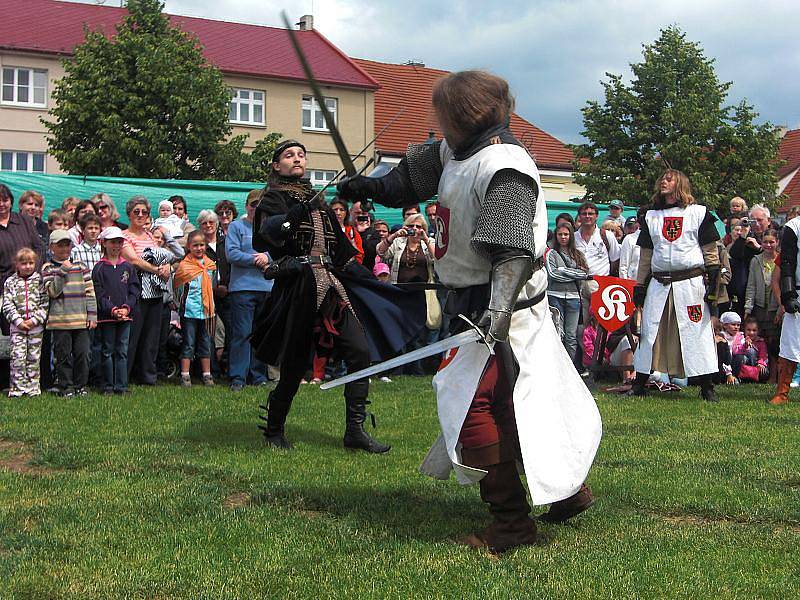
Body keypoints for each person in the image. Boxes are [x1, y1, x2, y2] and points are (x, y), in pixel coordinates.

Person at [338, 70, 601, 553]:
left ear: (461, 115)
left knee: (473, 410)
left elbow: (513, 252)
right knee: (520, 404)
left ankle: (512, 523)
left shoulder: (503, 167)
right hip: (476, 302)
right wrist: (367, 189)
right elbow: (403, 183)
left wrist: (497, 312)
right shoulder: (452, 152)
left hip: (503, 309)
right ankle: (565, 492)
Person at [252, 139, 425, 453]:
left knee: (359, 351)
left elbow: (345, 255)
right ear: (277, 166)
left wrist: (377, 285)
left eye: (301, 154)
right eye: (289, 155)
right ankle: (274, 430)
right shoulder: (272, 199)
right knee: (294, 363)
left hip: (332, 284)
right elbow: (270, 234)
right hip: (299, 287)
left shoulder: (318, 203)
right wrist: (294, 213)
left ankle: (354, 432)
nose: (297, 159)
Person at [630, 169, 721, 401]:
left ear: (680, 184)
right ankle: (638, 384)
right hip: (659, 284)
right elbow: (646, 257)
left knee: (697, 334)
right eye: (662, 178)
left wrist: (714, 282)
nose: (663, 182)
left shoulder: (698, 214)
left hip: (691, 284)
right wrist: (639, 286)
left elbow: (711, 252)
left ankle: (707, 387)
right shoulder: (651, 217)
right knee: (650, 333)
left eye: (669, 179)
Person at [121, 197, 175, 386]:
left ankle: (148, 376)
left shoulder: (151, 236)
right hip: (135, 291)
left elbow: (162, 256)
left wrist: (167, 266)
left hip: (155, 291)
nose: (141, 215)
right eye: (136, 211)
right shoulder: (124, 236)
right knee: (133, 336)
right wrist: (157, 269)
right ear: (129, 214)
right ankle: (125, 375)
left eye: (144, 212)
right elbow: (133, 260)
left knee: (151, 337)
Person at [376, 212, 436, 376]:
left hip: (421, 292)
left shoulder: (428, 242)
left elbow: (438, 258)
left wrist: (424, 239)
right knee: (399, 330)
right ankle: (398, 369)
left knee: (418, 331)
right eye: (411, 226)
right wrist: (394, 235)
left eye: (418, 226)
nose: (414, 229)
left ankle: (416, 368)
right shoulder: (398, 242)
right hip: (399, 292)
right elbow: (380, 252)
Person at [226, 190, 272, 391]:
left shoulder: (271, 228)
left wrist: (268, 257)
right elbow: (231, 253)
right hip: (242, 288)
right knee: (242, 333)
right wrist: (257, 259)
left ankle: (259, 375)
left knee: (261, 334)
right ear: (246, 206)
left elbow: (279, 251)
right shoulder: (236, 227)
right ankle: (238, 377)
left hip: (267, 287)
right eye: (253, 205)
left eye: (260, 205)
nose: (256, 208)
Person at [42, 229, 97, 396]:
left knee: (83, 354)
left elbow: (90, 291)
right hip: (60, 320)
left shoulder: (81, 266)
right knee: (63, 355)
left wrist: (92, 315)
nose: (64, 249)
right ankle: (65, 386)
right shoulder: (48, 268)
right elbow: (52, 291)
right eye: (60, 245)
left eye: (67, 245)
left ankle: (81, 385)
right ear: (51, 247)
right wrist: (62, 272)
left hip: (80, 319)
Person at [93, 227, 140, 395]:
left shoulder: (128, 267)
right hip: (107, 317)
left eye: (119, 242)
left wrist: (127, 308)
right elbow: (98, 294)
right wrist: (112, 310)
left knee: (122, 351)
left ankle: (122, 385)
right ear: (104, 243)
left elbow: (134, 290)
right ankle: (107, 385)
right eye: (113, 242)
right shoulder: (99, 268)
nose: (116, 245)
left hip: (125, 317)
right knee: (107, 351)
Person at [2, 248, 48, 397]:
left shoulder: (40, 281)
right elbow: (7, 304)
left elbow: (45, 303)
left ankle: (33, 388)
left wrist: (35, 320)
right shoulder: (10, 282)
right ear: (17, 264)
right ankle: (17, 388)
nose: (27, 266)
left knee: (33, 358)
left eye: (30, 263)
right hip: (18, 328)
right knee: (18, 357)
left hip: (36, 328)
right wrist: (18, 321)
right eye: (24, 263)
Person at [173, 230, 217, 387]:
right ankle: (185, 374)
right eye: (195, 245)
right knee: (189, 342)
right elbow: (177, 287)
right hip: (189, 310)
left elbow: (213, 286)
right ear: (188, 247)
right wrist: (178, 304)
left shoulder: (211, 265)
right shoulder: (185, 266)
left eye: (202, 245)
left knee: (205, 342)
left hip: (207, 311)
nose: (199, 248)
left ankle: (207, 374)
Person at [545, 222, 591, 361]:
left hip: (574, 298)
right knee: (559, 334)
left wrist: (564, 270)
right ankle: (557, 365)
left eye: (566, 234)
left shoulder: (578, 254)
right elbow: (553, 274)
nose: (563, 237)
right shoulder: (551, 253)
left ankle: (570, 368)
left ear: (571, 236)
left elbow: (585, 274)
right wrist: (574, 274)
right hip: (555, 296)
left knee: (572, 336)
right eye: (560, 234)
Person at [769, 214, 800, 405]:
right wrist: (788, 296)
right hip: (798, 292)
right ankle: (782, 391)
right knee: (790, 343)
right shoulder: (794, 227)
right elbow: (787, 262)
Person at [575, 200, 621, 319]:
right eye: (584, 213)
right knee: (583, 322)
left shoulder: (606, 235)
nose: (587, 216)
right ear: (579, 216)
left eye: (591, 213)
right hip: (579, 283)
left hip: (600, 283)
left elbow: (615, 259)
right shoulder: (574, 237)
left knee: (600, 320)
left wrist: (606, 279)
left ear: (597, 216)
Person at [744, 229, 779, 375]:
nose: (768, 245)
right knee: (761, 340)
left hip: (775, 307)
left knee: (774, 342)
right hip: (759, 306)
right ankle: (761, 373)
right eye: (765, 242)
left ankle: (775, 375)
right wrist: (747, 308)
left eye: (771, 242)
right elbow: (751, 286)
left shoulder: (780, 260)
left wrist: (780, 308)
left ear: (777, 242)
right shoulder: (756, 260)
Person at [198, 210, 229, 377]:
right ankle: (211, 371)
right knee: (208, 334)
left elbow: (231, 265)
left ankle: (228, 367)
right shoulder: (198, 245)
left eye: (211, 222)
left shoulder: (226, 243)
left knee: (231, 331)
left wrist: (226, 286)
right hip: (207, 294)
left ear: (216, 224)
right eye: (204, 223)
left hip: (227, 292)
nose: (208, 225)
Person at [731, 318, 769, 383]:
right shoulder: (740, 338)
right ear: (744, 330)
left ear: (758, 331)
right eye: (748, 330)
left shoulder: (760, 341)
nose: (751, 333)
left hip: (755, 365)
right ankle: (739, 377)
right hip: (743, 363)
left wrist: (761, 363)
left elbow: (763, 354)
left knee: (764, 371)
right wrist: (745, 345)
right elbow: (735, 351)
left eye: (754, 330)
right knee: (747, 353)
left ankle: (752, 376)